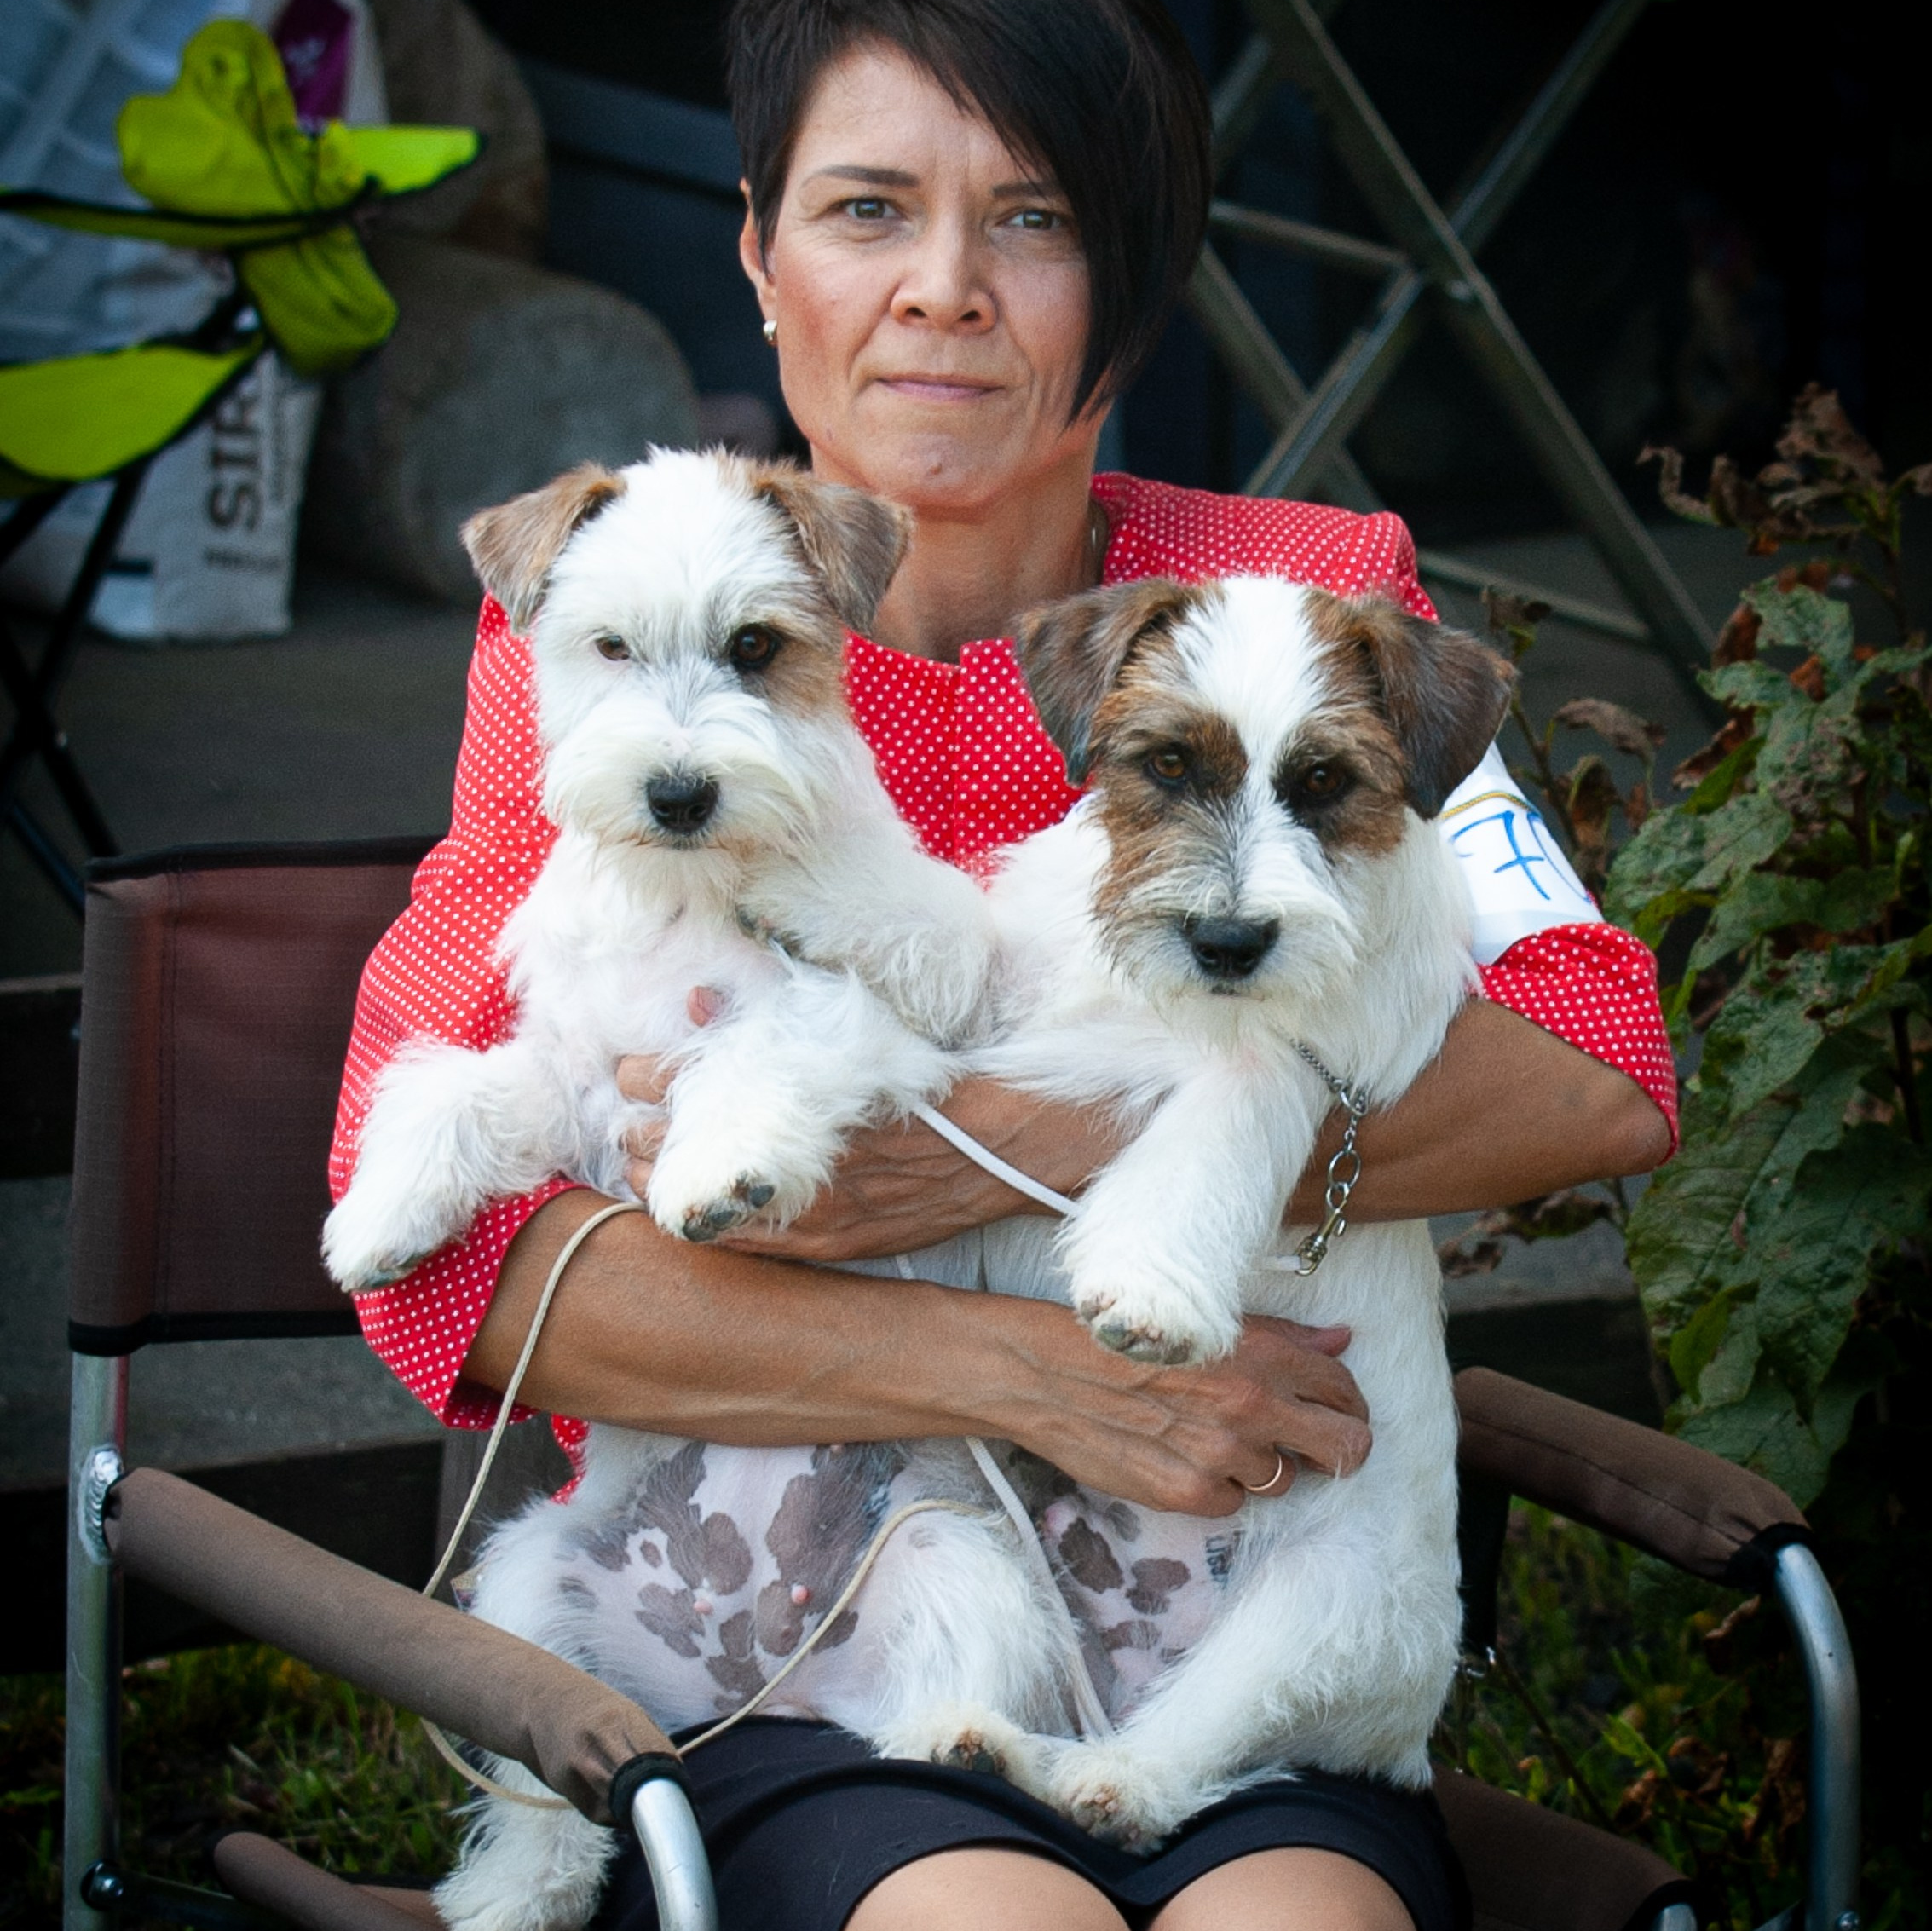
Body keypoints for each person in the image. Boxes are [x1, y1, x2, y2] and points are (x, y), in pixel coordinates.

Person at [330, 3, 1678, 1926]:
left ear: (1134, 280)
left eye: (1034, 220)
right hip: (805, 1636)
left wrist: (992, 1149)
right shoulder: (631, 644)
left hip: (1219, 1610)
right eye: (867, 208)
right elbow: (457, 1269)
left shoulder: (1300, 603)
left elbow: (1598, 1061)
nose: (944, 289)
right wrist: (1034, 1373)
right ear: (758, 254)